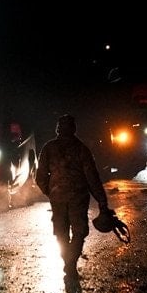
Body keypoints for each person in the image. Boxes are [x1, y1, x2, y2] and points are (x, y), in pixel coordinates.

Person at [34, 113, 110, 273]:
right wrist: (102, 201)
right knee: (79, 231)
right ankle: (71, 261)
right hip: (78, 197)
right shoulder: (82, 149)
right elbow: (92, 178)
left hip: (58, 197)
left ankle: (67, 260)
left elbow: (40, 177)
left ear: (58, 129)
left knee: (60, 231)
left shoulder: (49, 148)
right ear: (74, 129)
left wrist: (50, 191)